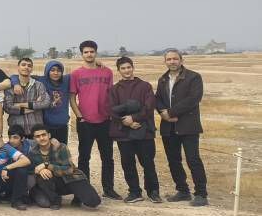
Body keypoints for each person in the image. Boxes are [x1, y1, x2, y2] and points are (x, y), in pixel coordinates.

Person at [155, 49, 208, 206]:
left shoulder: (193, 77)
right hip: (168, 127)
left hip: (188, 126)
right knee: (173, 160)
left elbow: (194, 98)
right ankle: (183, 191)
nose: (172, 61)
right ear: (165, 61)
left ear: (181, 60)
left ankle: (201, 194)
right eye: (169, 59)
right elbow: (158, 99)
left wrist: (171, 112)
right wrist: (163, 113)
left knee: (193, 159)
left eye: (175, 59)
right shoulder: (162, 79)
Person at [107, 56, 162, 204]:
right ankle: (134, 192)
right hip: (124, 133)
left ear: (133, 68)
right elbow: (111, 109)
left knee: (148, 162)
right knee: (128, 163)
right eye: (123, 68)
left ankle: (153, 192)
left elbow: (149, 107)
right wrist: (126, 122)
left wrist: (134, 118)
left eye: (128, 67)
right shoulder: (115, 89)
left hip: (144, 131)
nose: (126, 71)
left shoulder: (145, 86)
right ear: (118, 70)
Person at [70, 40, 119, 200]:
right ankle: (85, 190)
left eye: (92, 51)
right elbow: (72, 98)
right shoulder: (76, 74)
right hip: (85, 122)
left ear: (96, 52)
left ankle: (108, 189)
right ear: (82, 54)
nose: (89, 54)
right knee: (84, 157)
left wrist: (111, 114)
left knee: (107, 157)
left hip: (105, 120)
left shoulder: (107, 72)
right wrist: (79, 116)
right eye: (86, 52)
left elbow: (111, 95)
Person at [29, 126, 101, 209]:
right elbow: (31, 169)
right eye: (38, 136)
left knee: (93, 202)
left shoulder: (61, 147)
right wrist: (39, 171)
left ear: (49, 135)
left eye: (44, 135)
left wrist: (47, 165)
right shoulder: (33, 152)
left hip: (70, 178)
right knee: (43, 177)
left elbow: (69, 169)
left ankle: (78, 195)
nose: (41, 138)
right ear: (34, 139)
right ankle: (55, 201)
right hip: (52, 181)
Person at [4, 57, 51, 138]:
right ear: (18, 67)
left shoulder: (39, 85)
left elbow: (46, 103)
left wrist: (19, 105)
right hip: (17, 131)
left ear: (32, 69)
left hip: (36, 131)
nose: (26, 67)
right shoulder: (10, 87)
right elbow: (8, 107)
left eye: (29, 66)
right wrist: (34, 107)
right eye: (23, 65)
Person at [37, 60, 72, 144]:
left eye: (59, 70)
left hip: (62, 125)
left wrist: (96, 63)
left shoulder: (66, 80)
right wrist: (16, 83)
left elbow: (82, 72)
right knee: (46, 150)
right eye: (52, 70)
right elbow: (16, 76)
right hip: (46, 126)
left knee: (62, 149)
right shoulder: (41, 80)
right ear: (47, 71)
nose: (56, 73)